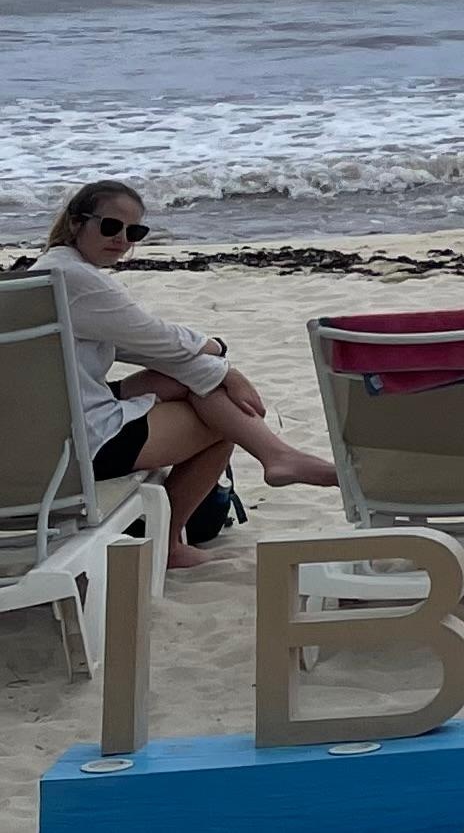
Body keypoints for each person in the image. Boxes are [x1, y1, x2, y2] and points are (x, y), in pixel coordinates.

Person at [37, 180, 337, 567]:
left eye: (134, 232)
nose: (122, 240)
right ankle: (170, 543)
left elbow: (142, 345)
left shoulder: (49, 270)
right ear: (77, 223)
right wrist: (222, 359)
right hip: (77, 444)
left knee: (181, 376)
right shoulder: (76, 279)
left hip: (43, 433)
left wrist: (217, 370)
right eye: (110, 226)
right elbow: (154, 335)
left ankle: (276, 456)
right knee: (216, 424)